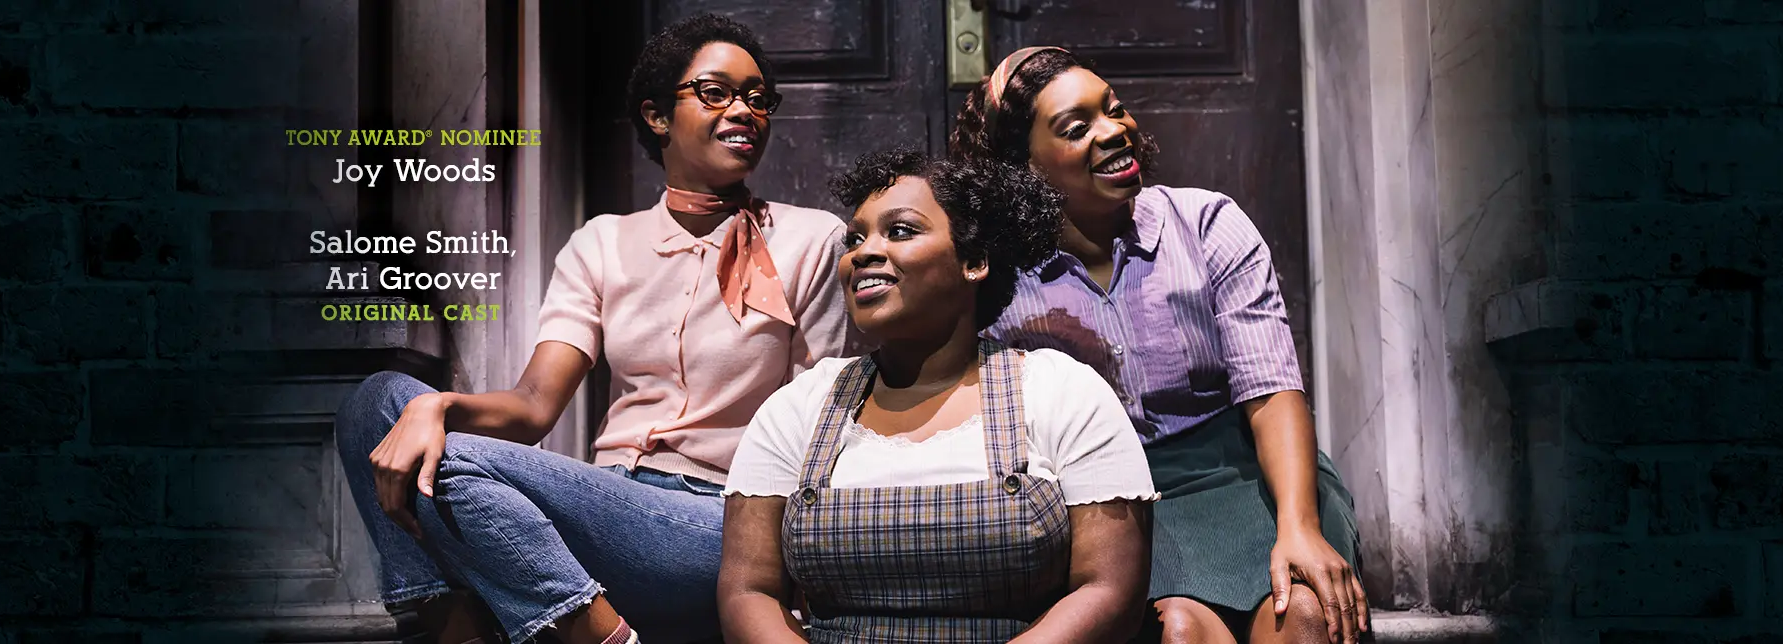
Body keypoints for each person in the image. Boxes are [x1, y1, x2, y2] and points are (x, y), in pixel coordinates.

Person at [332, 14, 858, 644]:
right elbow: (532, 407)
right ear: (657, 115)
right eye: (716, 92)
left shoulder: (814, 239)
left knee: (449, 458)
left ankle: (591, 636)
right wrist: (436, 406)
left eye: (757, 97)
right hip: (605, 508)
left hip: (719, 523)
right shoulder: (602, 243)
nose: (744, 109)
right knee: (379, 403)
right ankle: (453, 625)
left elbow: (818, 425)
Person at [950, 46, 1369, 644]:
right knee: (1179, 631)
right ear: (1023, 166)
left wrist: (1299, 525)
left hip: (1248, 477)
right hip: (1105, 504)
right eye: (1077, 127)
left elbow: (1272, 392)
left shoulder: (1206, 225)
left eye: (1114, 110)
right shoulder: (999, 280)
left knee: (1304, 616)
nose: (1114, 131)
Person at [717, 149, 1156, 643]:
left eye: (900, 231)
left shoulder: (1062, 392)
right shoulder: (801, 406)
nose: (863, 252)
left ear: (973, 262)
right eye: (855, 238)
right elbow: (747, 591)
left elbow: (1109, 589)